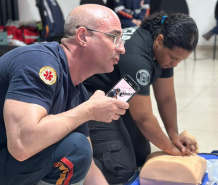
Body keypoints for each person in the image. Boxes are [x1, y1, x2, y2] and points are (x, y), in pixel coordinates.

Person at [0, 4, 128, 185]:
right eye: (114, 37)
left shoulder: (78, 91)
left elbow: (88, 167)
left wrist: (86, 109)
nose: (121, 48)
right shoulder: (38, 63)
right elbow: (21, 144)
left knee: (82, 152)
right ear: (83, 36)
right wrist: (89, 110)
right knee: (76, 148)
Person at [84, 12, 199, 184]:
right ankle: (76, 161)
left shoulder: (163, 51)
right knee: (120, 169)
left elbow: (166, 97)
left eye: (180, 61)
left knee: (141, 156)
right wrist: (170, 148)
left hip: (115, 97)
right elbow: (143, 117)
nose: (175, 64)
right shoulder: (137, 58)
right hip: (89, 101)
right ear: (159, 40)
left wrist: (173, 134)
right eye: (174, 58)